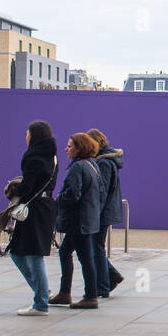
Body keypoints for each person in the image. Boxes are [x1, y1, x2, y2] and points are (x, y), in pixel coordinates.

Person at [6, 120, 58, 316]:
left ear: (34, 136)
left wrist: (14, 190)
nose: (25, 137)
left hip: (33, 210)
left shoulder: (33, 157)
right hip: (45, 207)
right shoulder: (52, 157)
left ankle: (41, 302)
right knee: (20, 252)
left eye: (27, 134)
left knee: (31, 255)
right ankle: (42, 293)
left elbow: (28, 186)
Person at [51, 132, 103, 309]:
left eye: (70, 146)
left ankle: (90, 296)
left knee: (84, 258)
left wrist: (58, 201)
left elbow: (73, 194)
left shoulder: (77, 167)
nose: (66, 149)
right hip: (88, 219)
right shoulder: (92, 165)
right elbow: (100, 193)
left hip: (77, 221)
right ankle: (65, 292)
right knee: (66, 252)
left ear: (80, 148)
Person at [86, 128, 125, 298]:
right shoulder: (108, 160)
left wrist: (94, 212)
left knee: (96, 247)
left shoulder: (103, 163)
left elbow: (102, 191)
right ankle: (110, 278)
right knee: (96, 247)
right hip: (104, 211)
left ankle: (104, 284)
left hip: (102, 213)